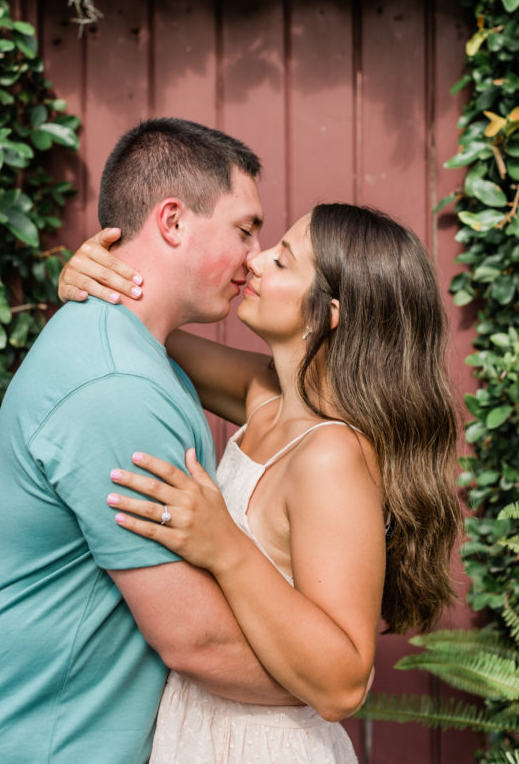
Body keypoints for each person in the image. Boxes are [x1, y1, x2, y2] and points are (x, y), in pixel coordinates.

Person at [0, 118, 303, 764]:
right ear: (173, 221)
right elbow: (195, 642)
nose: (254, 256)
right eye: (245, 229)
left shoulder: (135, 351)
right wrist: (330, 683)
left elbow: (283, 397)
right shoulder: (114, 382)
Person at [58, 201, 463, 764]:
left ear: (330, 312)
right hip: (200, 732)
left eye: (283, 259)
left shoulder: (330, 456)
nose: (256, 259)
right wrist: (90, 276)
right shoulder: (266, 397)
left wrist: (225, 545)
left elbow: (345, 683)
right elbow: (145, 326)